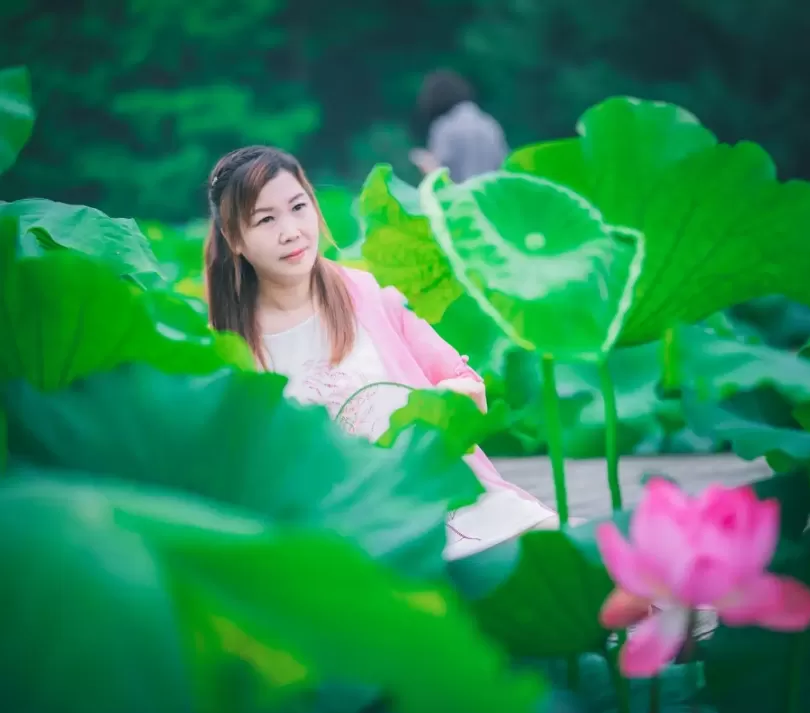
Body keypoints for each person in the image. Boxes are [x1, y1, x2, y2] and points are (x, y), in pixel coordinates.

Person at [203, 145, 558, 559]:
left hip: (437, 500)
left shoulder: (368, 296)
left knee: (568, 552)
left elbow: (471, 394)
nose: (291, 231)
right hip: (335, 538)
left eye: (298, 207)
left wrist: (418, 418)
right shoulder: (226, 347)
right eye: (266, 219)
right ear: (234, 238)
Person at [410, 69, 508, 182]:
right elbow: (503, 165)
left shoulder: (445, 126)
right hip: (489, 196)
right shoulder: (490, 124)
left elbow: (438, 171)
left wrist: (424, 161)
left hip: (460, 197)